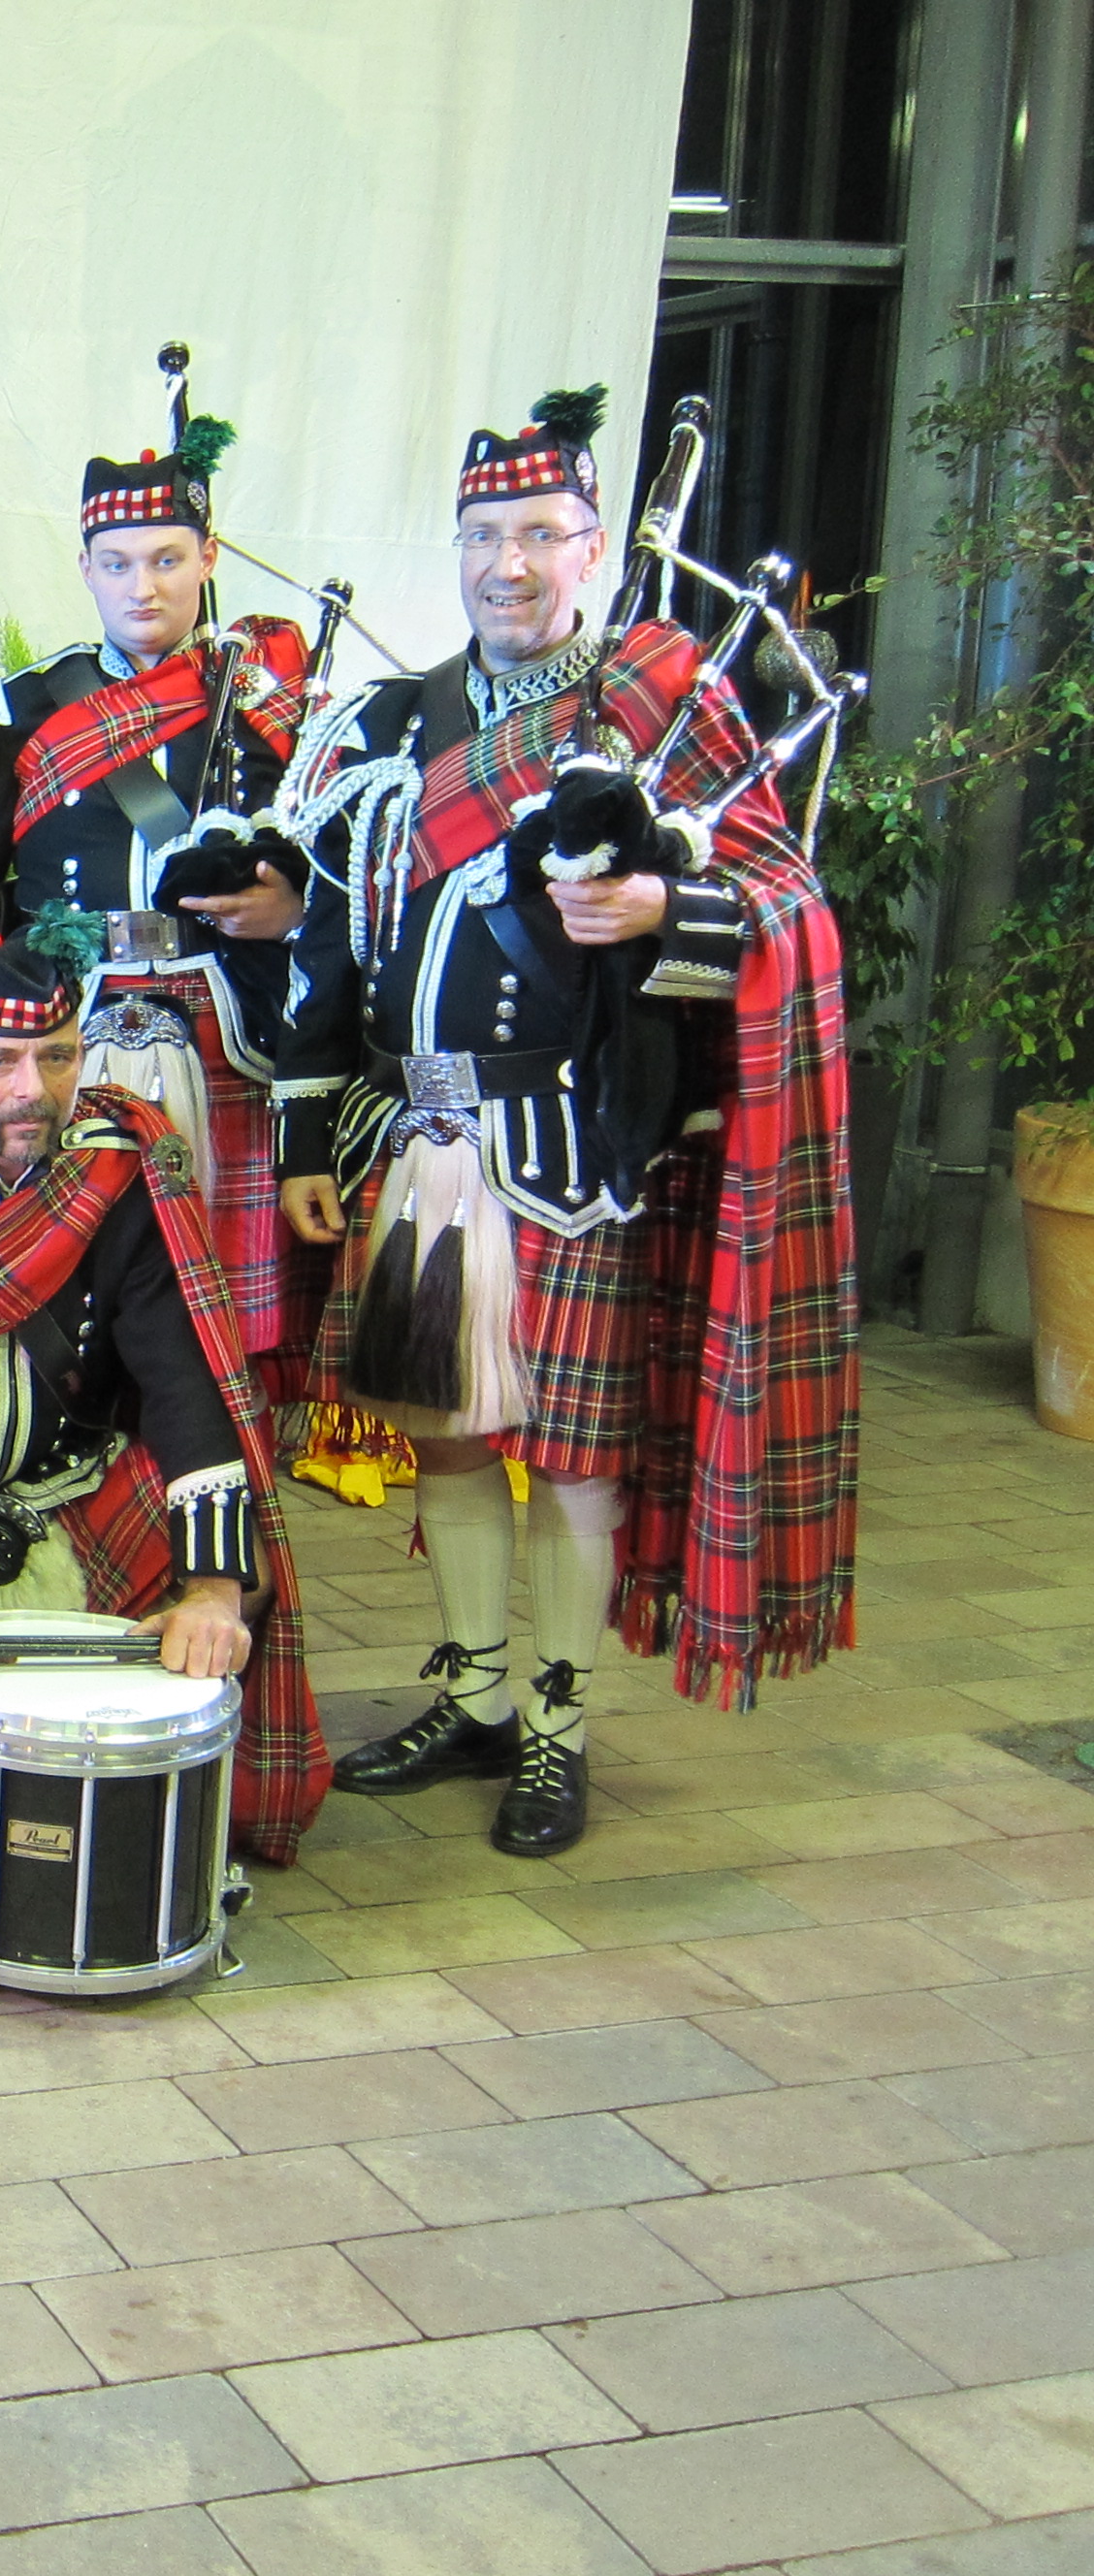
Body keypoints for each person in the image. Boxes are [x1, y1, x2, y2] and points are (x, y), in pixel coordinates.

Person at [271, 387, 858, 1857]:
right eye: (483, 535)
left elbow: (783, 900)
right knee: (451, 1442)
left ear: (592, 546)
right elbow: (338, 935)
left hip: (578, 1153)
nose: (508, 564)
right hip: (420, 1141)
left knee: (575, 1454)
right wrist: (302, 1135)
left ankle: (557, 1724)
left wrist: (668, 904)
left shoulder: (663, 694)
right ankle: (471, 1695)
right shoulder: (403, 721)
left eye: (540, 533)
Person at [0, 937, 325, 1862]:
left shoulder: (120, 1177)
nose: (32, 1090)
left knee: (242, 1587)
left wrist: (211, 1590)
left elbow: (183, 1372)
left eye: (57, 1056)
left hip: (72, 1499)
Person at [0, 423, 325, 1399]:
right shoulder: (29, 706)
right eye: (120, 563)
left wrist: (291, 907)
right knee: (70, 1295)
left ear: (208, 559)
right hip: (65, 1033)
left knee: (218, 1314)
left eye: (170, 559)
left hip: (229, 1035)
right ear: (84, 566)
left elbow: (335, 881)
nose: (146, 587)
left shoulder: (270, 708)